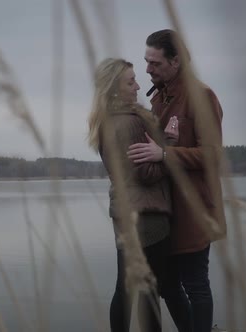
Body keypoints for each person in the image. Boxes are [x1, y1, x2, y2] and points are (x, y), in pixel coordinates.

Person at [127, 29, 227, 332]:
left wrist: (165, 154)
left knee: (196, 284)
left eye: (155, 63)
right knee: (168, 285)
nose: (147, 69)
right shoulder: (158, 97)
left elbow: (212, 155)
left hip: (195, 208)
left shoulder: (202, 96)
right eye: (146, 61)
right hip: (165, 210)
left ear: (176, 62)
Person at [87, 58, 185, 332]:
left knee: (126, 288)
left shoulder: (107, 122)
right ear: (114, 89)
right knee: (148, 292)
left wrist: (164, 145)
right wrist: (169, 152)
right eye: (130, 82)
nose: (138, 86)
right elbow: (145, 173)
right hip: (147, 216)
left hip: (124, 214)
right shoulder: (131, 122)